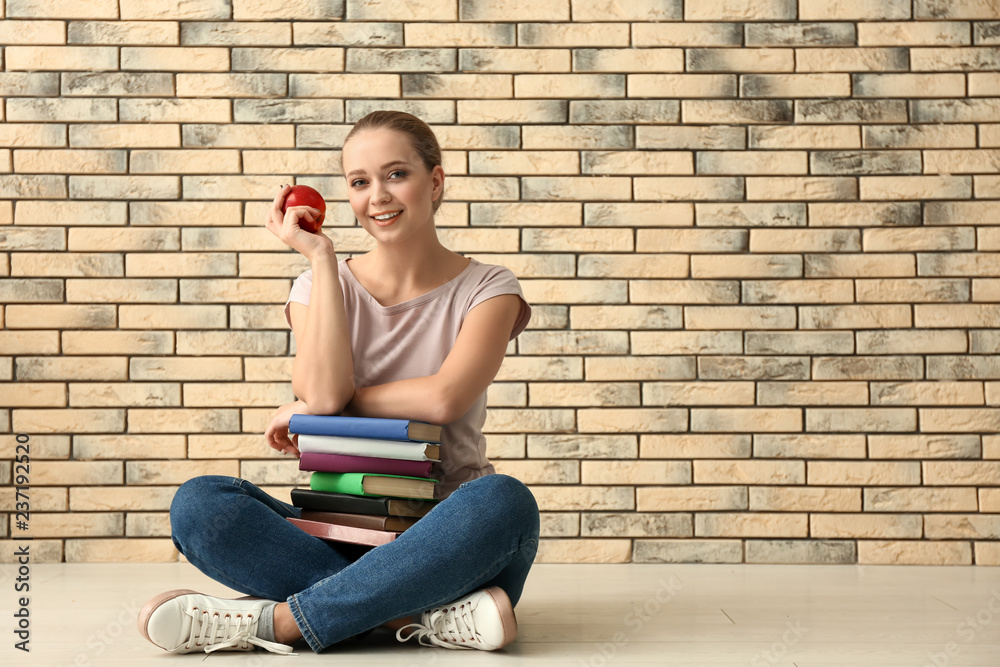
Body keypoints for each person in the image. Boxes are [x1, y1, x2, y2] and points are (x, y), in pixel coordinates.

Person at [137, 111, 540, 656]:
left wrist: (309, 411)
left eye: (396, 174)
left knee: (504, 502)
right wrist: (321, 258)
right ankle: (415, 616)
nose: (378, 195)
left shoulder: (489, 287)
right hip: (337, 531)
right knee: (200, 504)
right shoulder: (318, 284)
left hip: (448, 539)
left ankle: (275, 625)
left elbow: (444, 397)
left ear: (436, 181)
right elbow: (324, 395)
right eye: (359, 181)